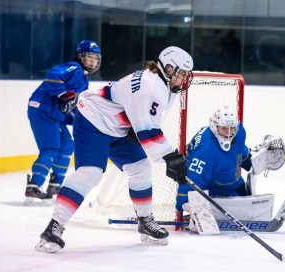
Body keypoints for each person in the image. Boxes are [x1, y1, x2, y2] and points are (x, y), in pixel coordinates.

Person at [35, 46, 193, 253]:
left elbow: (142, 120)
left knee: (140, 167)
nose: (183, 79)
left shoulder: (161, 83)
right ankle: (53, 227)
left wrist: (153, 144)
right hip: (94, 119)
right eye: (180, 73)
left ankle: (145, 220)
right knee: (90, 174)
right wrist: (170, 158)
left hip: (117, 126)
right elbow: (148, 131)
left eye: (185, 74)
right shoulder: (152, 88)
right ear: (168, 68)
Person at [175, 105, 285, 233]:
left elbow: (238, 151)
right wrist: (190, 204)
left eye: (232, 129)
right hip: (214, 192)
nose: (229, 133)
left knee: (243, 198)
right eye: (224, 129)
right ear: (214, 126)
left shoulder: (239, 133)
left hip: (233, 186)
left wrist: (254, 160)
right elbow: (193, 178)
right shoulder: (206, 150)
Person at [25, 40, 101, 205]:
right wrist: (62, 95)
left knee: (67, 144)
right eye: (89, 57)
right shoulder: (74, 68)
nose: (93, 61)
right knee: (50, 148)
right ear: (80, 56)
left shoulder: (84, 81)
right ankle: (34, 185)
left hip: (53, 115)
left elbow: (70, 108)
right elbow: (54, 74)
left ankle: (55, 185)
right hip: (41, 109)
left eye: (95, 58)